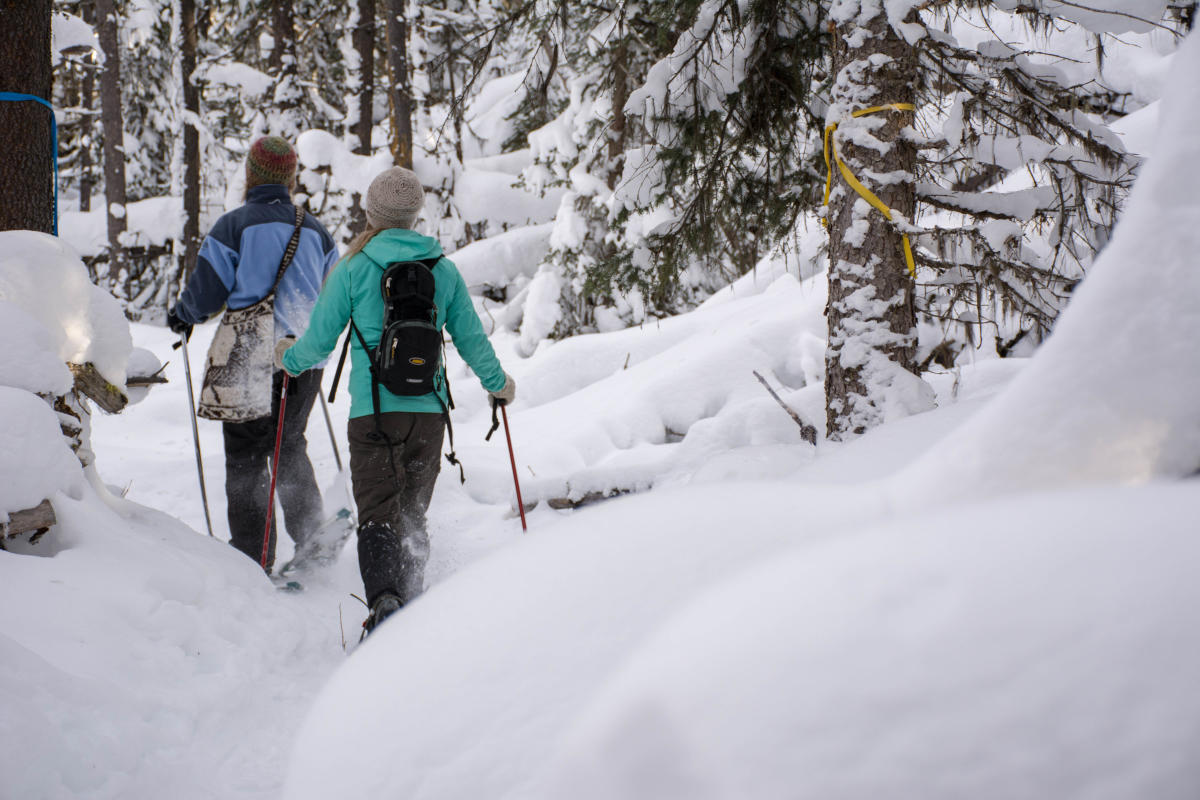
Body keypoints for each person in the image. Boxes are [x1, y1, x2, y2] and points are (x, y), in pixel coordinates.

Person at [277, 166, 514, 633]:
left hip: (373, 414)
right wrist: (498, 383)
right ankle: (413, 607)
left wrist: (289, 358)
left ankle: (386, 606)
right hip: (429, 415)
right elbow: (471, 340)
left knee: (378, 516)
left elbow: (319, 343)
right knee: (411, 514)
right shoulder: (442, 269)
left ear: (372, 212)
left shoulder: (353, 268)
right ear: (413, 215)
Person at [167, 135, 339, 571]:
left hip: (248, 351)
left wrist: (184, 314)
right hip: (304, 354)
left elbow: (207, 293)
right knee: (288, 445)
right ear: (290, 178)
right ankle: (313, 540)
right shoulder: (317, 231)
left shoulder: (234, 226)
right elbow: (334, 294)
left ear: (251, 174)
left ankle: (252, 557)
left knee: (246, 454)